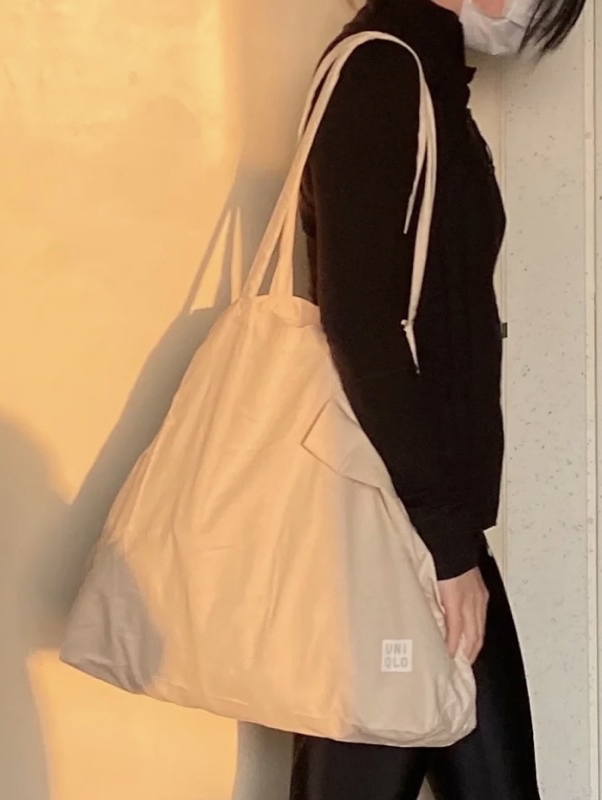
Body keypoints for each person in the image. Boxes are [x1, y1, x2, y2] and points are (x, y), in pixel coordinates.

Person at [290, 0, 587, 798]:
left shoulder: (423, 82)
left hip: (424, 528)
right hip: (394, 534)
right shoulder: (378, 73)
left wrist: (452, 543)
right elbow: (361, 324)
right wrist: (448, 551)